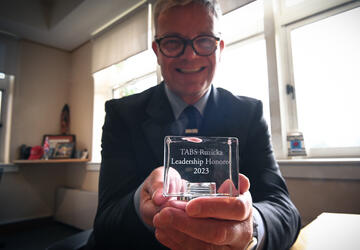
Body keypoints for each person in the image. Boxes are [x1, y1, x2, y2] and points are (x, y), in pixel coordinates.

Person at [86, 0, 301, 249]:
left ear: (220, 47)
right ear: (157, 51)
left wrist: (248, 228)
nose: (190, 55)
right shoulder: (122, 115)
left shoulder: (249, 114)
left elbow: (284, 209)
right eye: (173, 42)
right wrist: (141, 205)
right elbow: (105, 222)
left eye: (205, 40)